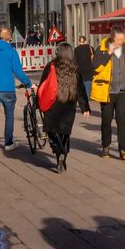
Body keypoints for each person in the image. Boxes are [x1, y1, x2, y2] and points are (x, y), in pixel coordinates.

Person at [39, 43, 91, 172]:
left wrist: (37, 103)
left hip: (53, 104)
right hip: (69, 104)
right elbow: (80, 89)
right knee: (65, 133)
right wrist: (85, 108)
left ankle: (59, 151)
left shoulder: (51, 66)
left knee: (52, 131)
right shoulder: (74, 68)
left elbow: (43, 85)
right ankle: (63, 154)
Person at [0, 27, 32, 153]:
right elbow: (18, 71)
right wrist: (28, 83)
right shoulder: (11, 52)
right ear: (9, 38)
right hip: (7, 88)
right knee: (9, 115)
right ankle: (8, 142)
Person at [91, 25, 125, 160]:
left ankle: (123, 150)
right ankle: (105, 147)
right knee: (106, 120)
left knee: (122, 121)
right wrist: (109, 53)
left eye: (122, 39)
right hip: (108, 91)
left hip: (123, 91)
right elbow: (96, 67)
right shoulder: (102, 49)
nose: (120, 42)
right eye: (117, 39)